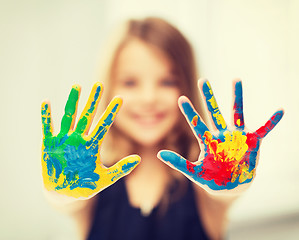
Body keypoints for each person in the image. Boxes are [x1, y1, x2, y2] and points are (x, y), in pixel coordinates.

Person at [41, 17, 284, 240]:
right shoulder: (89, 179)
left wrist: (232, 178)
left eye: (167, 81)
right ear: (110, 86)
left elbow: (224, 194)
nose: (149, 98)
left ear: (186, 86)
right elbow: (66, 201)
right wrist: (60, 189)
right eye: (130, 82)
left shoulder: (203, 179)